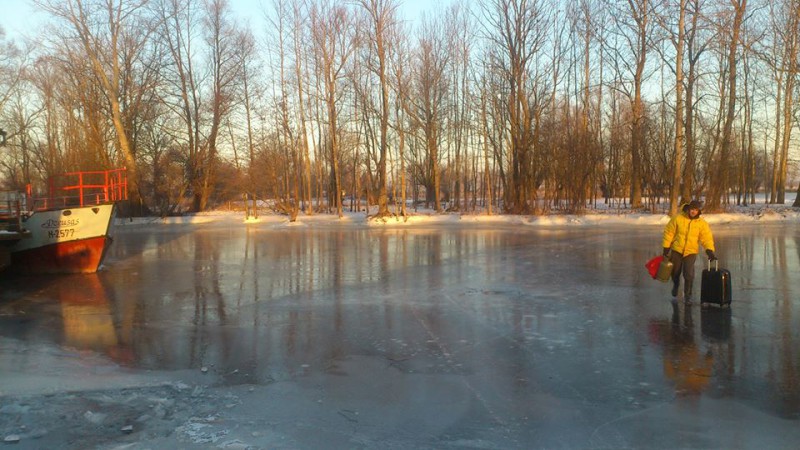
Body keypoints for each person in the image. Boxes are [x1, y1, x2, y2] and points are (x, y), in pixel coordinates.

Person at [661, 200, 717, 305]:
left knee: (689, 274)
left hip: (691, 252)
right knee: (675, 272)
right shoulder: (678, 218)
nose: (693, 212)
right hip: (677, 249)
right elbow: (669, 232)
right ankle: (676, 285)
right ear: (688, 208)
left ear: (699, 211)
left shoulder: (702, 224)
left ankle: (688, 295)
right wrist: (666, 247)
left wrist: (709, 251)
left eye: (696, 210)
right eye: (692, 209)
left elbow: (707, 238)